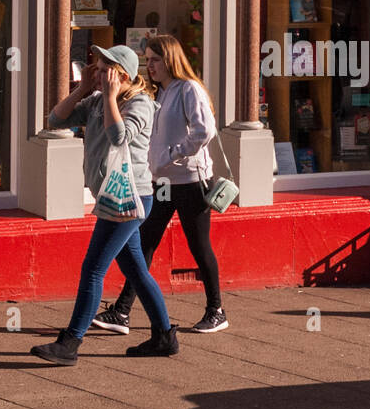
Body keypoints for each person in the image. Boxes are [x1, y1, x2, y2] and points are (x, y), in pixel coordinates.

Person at [29, 44, 179, 365]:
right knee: (136, 271)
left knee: (93, 268)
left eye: (104, 69)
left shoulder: (141, 104)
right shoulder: (97, 101)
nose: (98, 73)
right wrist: (82, 88)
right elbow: (56, 120)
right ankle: (164, 337)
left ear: (122, 75)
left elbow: (119, 138)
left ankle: (70, 343)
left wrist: (111, 97)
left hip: (128, 196)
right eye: (96, 67)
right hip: (113, 195)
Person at [93, 35, 229, 335]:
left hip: (192, 181)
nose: (149, 66)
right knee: (145, 243)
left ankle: (216, 310)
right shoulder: (160, 93)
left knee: (199, 246)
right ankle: (122, 311)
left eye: (155, 59)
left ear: (170, 60)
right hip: (162, 182)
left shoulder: (188, 89)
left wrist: (173, 153)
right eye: (147, 60)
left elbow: (205, 130)